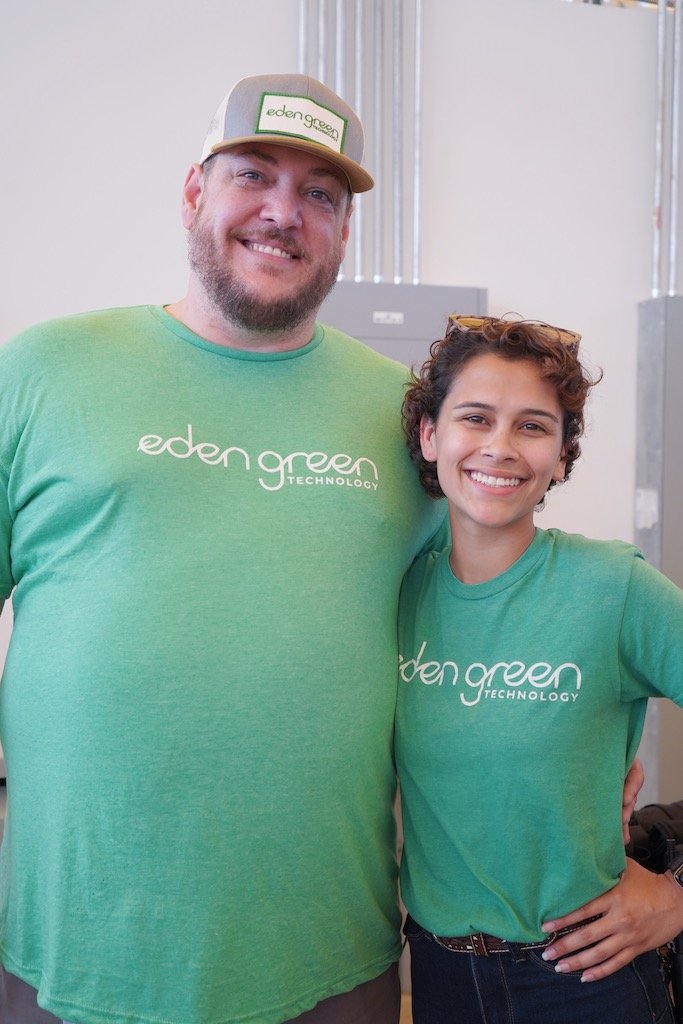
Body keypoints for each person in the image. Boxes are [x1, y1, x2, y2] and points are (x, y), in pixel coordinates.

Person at [0, 76, 645, 1024]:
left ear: (343, 230)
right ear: (193, 192)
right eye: (251, 174)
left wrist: (597, 783)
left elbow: (492, 625)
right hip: (76, 951)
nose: (282, 212)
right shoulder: (43, 370)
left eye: (320, 195)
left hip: (326, 963)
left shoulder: (406, 419)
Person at [396, 314, 683, 1024]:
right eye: (474, 417)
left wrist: (678, 888)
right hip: (435, 976)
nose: (498, 447)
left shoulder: (610, 588)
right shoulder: (397, 590)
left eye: (531, 426)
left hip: (583, 976)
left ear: (560, 456)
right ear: (430, 437)